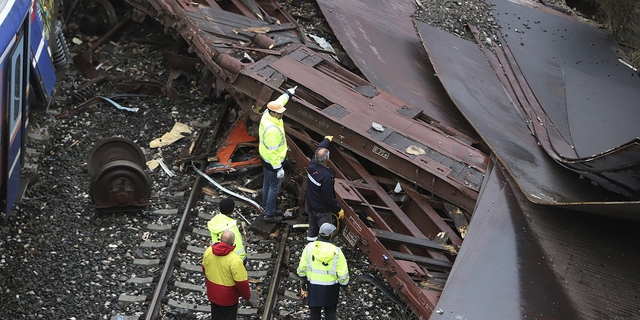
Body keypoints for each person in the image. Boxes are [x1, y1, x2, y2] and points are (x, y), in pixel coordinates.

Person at [259, 86, 296, 223]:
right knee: (274, 187)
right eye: (279, 113)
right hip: (273, 162)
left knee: (267, 184)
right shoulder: (272, 130)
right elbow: (273, 151)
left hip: (265, 159)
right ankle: (269, 214)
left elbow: (279, 101)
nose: (282, 115)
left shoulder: (267, 114)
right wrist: (278, 168)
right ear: (273, 113)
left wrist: (288, 94)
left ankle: (267, 208)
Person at [297, 223, 349, 320]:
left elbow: (302, 268)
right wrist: (345, 286)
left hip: (313, 287)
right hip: (331, 289)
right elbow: (343, 274)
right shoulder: (337, 252)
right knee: (330, 313)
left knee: (315, 313)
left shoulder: (309, 248)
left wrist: (303, 281)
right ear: (331, 235)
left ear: (319, 233)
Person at [202, 230, 251, 320]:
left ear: (220, 240)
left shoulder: (209, 251)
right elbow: (241, 282)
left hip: (213, 293)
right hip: (229, 297)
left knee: (216, 316)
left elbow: (204, 269)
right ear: (232, 242)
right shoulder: (235, 260)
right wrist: (246, 296)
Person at [305, 136, 344, 241]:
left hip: (311, 205)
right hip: (322, 210)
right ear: (327, 159)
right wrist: (338, 209)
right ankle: (324, 251)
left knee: (312, 229)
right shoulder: (326, 177)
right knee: (325, 232)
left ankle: (310, 247)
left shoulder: (312, 165)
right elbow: (328, 197)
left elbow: (319, 149)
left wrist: (326, 140)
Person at [208, 198, 246, 263]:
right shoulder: (231, 228)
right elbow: (238, 247)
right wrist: (243, 259)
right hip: (230, 259)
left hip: (217, 255)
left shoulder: (214, 222)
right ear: (232, 211)